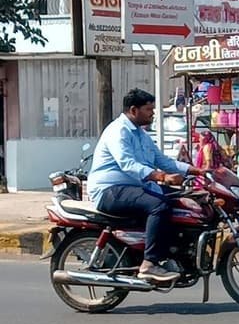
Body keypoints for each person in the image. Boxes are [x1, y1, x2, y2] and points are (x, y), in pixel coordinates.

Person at [87, 88, 205, 285]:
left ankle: (169, 254)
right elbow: (128, 164)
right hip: (110, 190)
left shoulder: (141, 134)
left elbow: (162, 160)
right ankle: (149, 264)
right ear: (134, 110)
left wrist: (197, 170)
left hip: (134, 187)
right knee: (159, 205)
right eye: (149, 109)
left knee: (184, 200)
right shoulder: (119, 131)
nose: (152, 113)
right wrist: (162, 177)